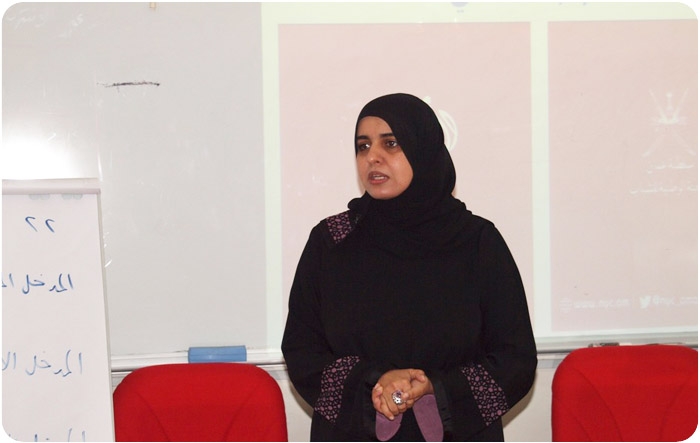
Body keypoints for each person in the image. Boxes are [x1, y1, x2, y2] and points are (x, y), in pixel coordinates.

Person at [282, 93, 537, 441]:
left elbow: (515, 360)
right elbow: (301, 351)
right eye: (363, 146)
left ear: (423, 149)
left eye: (391, 143)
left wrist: (435, 387)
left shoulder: (476, 241)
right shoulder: (331, 241)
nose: (372, 157)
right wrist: (375, 383)